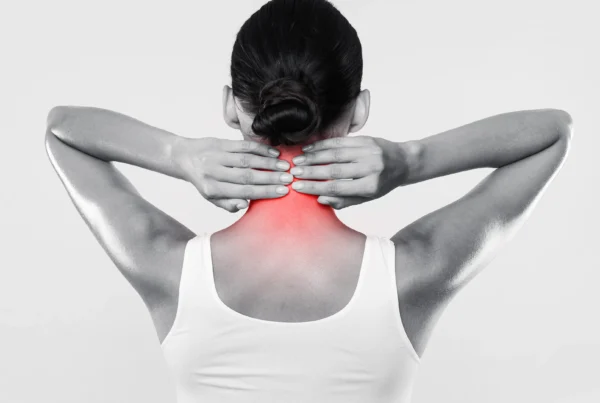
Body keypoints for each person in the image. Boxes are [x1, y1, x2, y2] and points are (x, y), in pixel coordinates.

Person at [44, 0, 573, 401]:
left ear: (233, 107)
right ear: (359, 110)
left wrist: (177, 154)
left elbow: (63, 129)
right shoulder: (416, 269)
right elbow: (552, 132)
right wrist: (413, 161)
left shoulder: (163, 262)